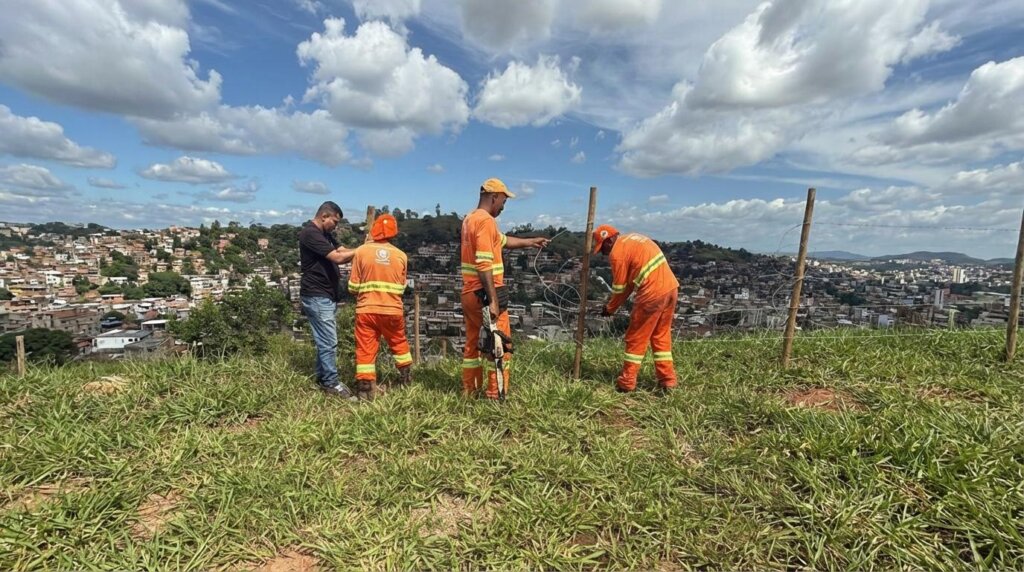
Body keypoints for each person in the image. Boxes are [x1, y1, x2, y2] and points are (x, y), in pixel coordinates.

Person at [461, 178, 549, 399]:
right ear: (494, 197)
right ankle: (495, 394)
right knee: (500, 345)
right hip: (486, 294)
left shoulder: (470, 220)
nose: (503, 206)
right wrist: (493, 300)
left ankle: (469, 392)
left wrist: (531, 242)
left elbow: (503, 241)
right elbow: (483, 263)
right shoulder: (486, 221)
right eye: (503, 201)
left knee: (473, 344)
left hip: (469, 293)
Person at [592, 224, 680, 393]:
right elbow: (630, 283)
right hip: (671, 289)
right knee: (660, 335)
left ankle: (627, 383)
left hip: (652, 293)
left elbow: (620, 289)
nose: (604, 253)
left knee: (635, 339)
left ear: (609, 240)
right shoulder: (633, 239)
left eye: (603, 247)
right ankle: (668, 381)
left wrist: (609, 309)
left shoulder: (617, 254)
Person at [348, 214, 412, 401]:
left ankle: (365, 392)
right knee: (399, 343)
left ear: (373, 230)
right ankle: (406, 381)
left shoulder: (361, 251)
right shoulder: (401, 256)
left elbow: (352, 287)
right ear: (394, 233)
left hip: (366, 310)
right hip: (392, 310)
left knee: (366, 349)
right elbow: (401, 287)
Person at [299, 201, 357, 400]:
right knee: (329, 341)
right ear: (324, 216)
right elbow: (339, 258)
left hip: (326, 295)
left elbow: (342, 250)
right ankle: (331, 383)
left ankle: (321, 377)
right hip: (316, 295)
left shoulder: (325, 234)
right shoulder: (310, 234)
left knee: (324, 340)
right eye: (335, 221)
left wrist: (364, 247)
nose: (336, 226)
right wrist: (365, 250)